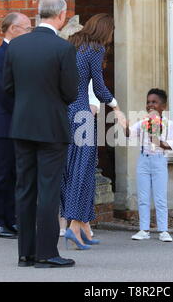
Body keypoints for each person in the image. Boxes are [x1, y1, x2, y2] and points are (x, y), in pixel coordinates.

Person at [3, 0, 79, 268]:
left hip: (22, 126)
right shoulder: (63, 49)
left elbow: (8, 88)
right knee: (48, 190)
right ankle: (46, 253)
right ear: (61, 15)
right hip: (51, 128)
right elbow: (71, 93)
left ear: (39, 14)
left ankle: (26, 254)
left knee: (25, 189)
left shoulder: (16, 46)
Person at [60, 13, 124, 249]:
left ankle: (83, 225)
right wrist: (116, 107)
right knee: (83, 170)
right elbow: (98, 85)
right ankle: (74, 227)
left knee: (73, 168)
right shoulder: (95, 49)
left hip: (65, 113)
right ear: (105, 30)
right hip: (82, 114)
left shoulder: (73, 43)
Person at [0, 12, 32, 239]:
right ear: (13, 29)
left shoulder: (20, 55)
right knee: (1, 175)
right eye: (26, 28)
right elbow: (4, 93)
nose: (29, 32)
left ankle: (10, 220)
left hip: (20, 124)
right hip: (5, 126)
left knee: (16, 175)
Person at [58, 16, 99, 238]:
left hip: (83, 120)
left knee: (83, 172)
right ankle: (65, 222)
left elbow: (94, 91)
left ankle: (81, 222)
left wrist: (93, 107)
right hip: (66, 121)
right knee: (65, 171)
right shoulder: (62, 63)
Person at [125, 89, 173, 242]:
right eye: (148, 102)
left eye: (154, 102)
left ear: (163, 106)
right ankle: (144, 229)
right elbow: (130, 133)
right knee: (143, 196)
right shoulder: (143, 123)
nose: (150, 105)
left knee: (160, 197)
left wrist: (159, 142)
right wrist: (124, 124)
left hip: (159, 160)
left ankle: (163, 230)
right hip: (143, 160)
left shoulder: (169, 125)